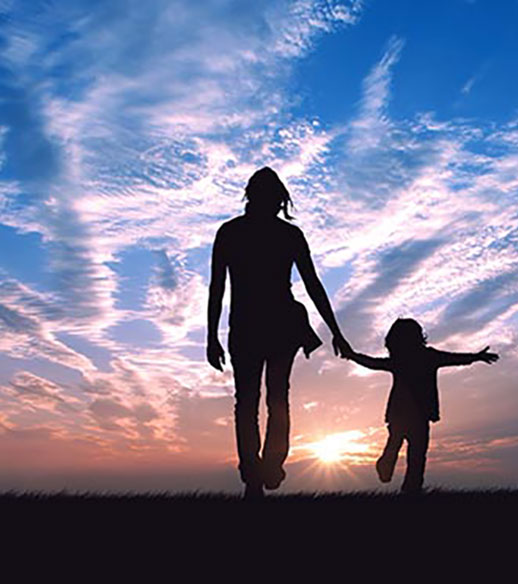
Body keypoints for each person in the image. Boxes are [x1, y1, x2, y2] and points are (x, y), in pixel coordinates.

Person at [207, 167, 351, 499]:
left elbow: (313, 284)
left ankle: (264, 468)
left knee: (259, 400)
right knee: (265, 399)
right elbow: (217, 287)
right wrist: (211, 336)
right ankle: (257, 472)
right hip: (252, 326)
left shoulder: (254, 233)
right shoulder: (240, 233)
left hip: (267, 325)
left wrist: (336, 330)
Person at [344, 318, 498, 494]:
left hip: (414, 415)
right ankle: (395, 473)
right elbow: (374, 363)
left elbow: (453, 358)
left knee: (412, 453)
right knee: (408, 452)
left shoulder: (420, 357)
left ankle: (408, 486)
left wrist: (476, 357)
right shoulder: (416, 358)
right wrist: (476, 357)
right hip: (406, 415)